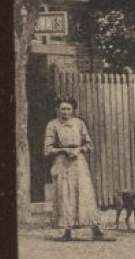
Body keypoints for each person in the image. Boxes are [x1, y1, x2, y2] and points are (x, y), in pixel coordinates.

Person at [43, 100, 108, 241]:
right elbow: (47, 149)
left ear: (73, 110)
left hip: (79, 162)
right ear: (57, 110)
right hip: (62, 162)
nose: (65, 112)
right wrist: (63, 150)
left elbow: (89, 144)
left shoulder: (79, 123)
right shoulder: (52, 125)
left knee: (85, 193)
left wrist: (79, 149)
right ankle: (67, 232)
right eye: (62, 109)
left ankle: (96, 230)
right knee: (65, 195)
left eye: (68, 109)